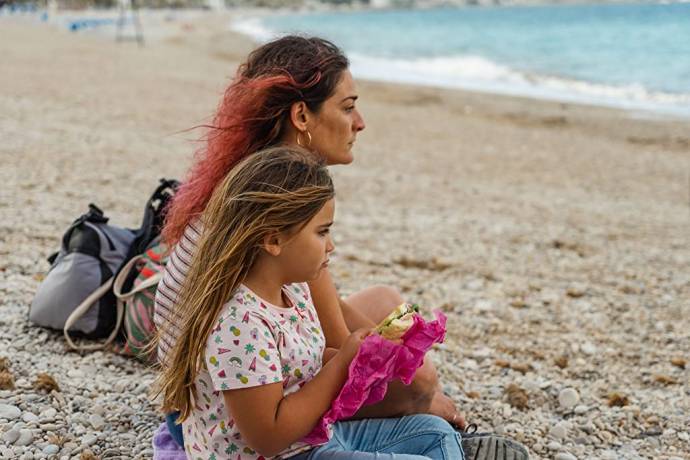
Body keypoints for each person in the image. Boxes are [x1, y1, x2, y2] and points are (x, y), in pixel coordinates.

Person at [153, 35, 529, 460]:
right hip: (228, 410)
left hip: (228, 378)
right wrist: (419, 392)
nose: (360, 122)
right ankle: (429, 432)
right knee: (419, 383)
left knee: (389, 306)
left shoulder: (263, 181)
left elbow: (332, 328)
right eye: (347, 107)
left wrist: (393, 347)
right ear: (302, 116)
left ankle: (424, 429)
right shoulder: (276, 209)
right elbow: (335, 345)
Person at [154, 146, 465, 459]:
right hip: (280, 454)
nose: (331, 246)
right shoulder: (240, 323)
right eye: (322, 232)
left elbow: (303, 364)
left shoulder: (294, 291)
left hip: (313, 438)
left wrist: (367, 355)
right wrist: (342, 363)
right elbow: (268, 436)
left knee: (434, 433)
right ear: (273, 239)